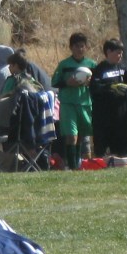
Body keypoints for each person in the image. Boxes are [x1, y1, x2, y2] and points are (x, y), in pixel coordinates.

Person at [51, 31, 97, 170]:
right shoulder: (64, 65)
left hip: (85, 104)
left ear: (86, 47)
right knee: (71, 136)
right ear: (71, 47)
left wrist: (91, 83)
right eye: (77, 46)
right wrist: (67, 83)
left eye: (82, 46)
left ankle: (77, 164)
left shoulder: (92, 64)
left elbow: (98, 84)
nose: (80, 49)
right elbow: (55, 82)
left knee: (81, 136)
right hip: (68, 104)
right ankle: (71, 166)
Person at [90, 38, 127, 157]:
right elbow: (94, 87)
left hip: (121, 116)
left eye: (121, 53)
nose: (120, 56)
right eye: (118, 53)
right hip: (103, 117)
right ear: (108, 52)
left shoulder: (122, 68)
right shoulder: (100, 69)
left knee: (122, 149)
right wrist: (111, 87)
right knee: (101, 148)